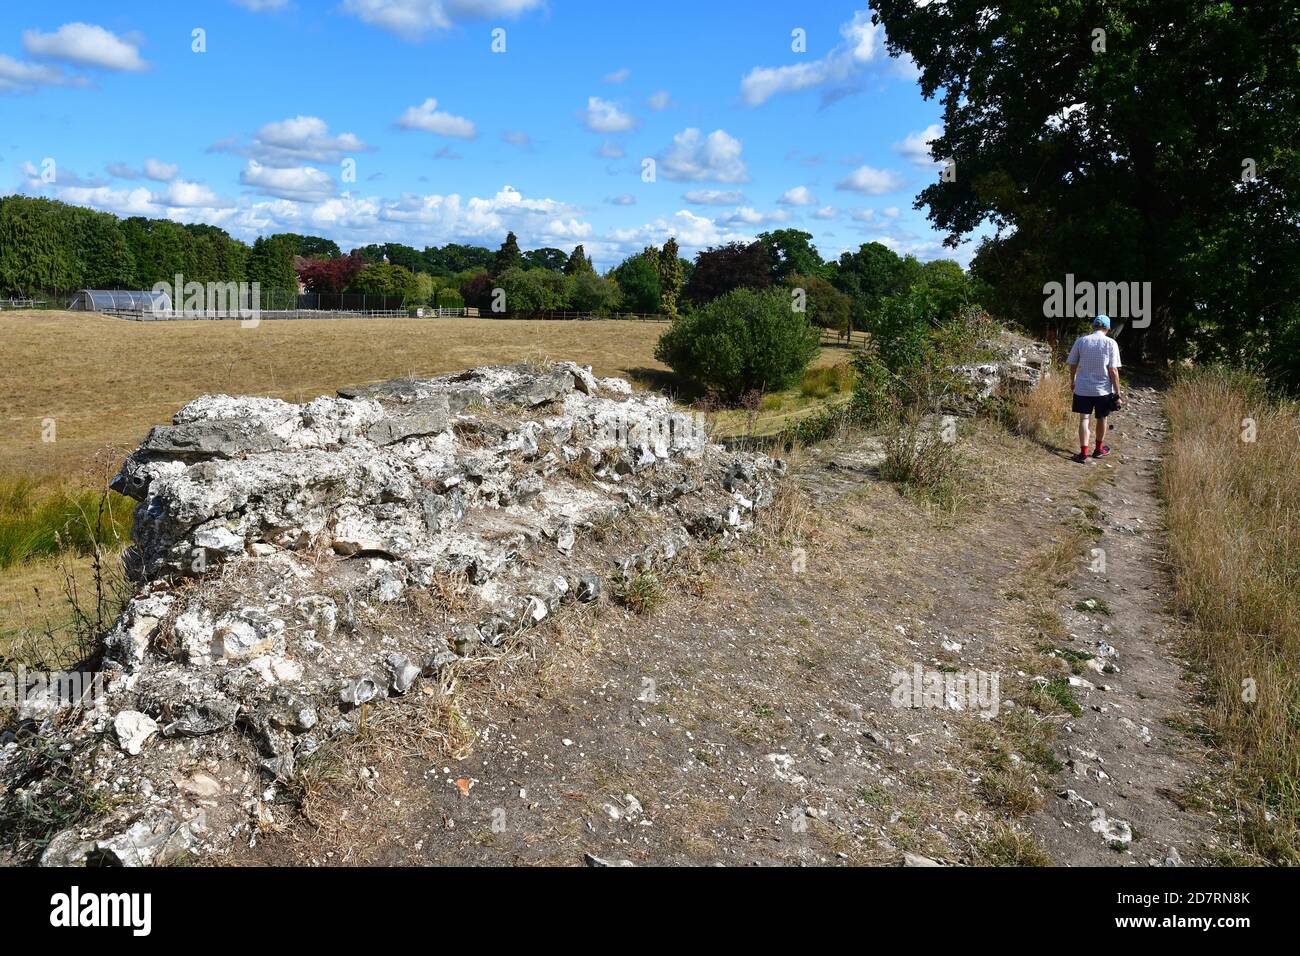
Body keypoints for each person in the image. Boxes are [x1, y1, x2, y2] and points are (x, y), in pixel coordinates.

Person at [1066, 314, 1123, 463]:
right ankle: (1098, 449)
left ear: (1093, 326)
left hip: (1083, 388)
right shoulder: (1111, 344)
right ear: (1108, 328)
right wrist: (1117, 393)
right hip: (1103, 390)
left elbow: (1072, 363)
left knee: (1084, 418)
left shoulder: (1082, 341)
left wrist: (1073, 380)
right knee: (1102, 418)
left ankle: (1083, 453)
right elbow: (1113, 370)